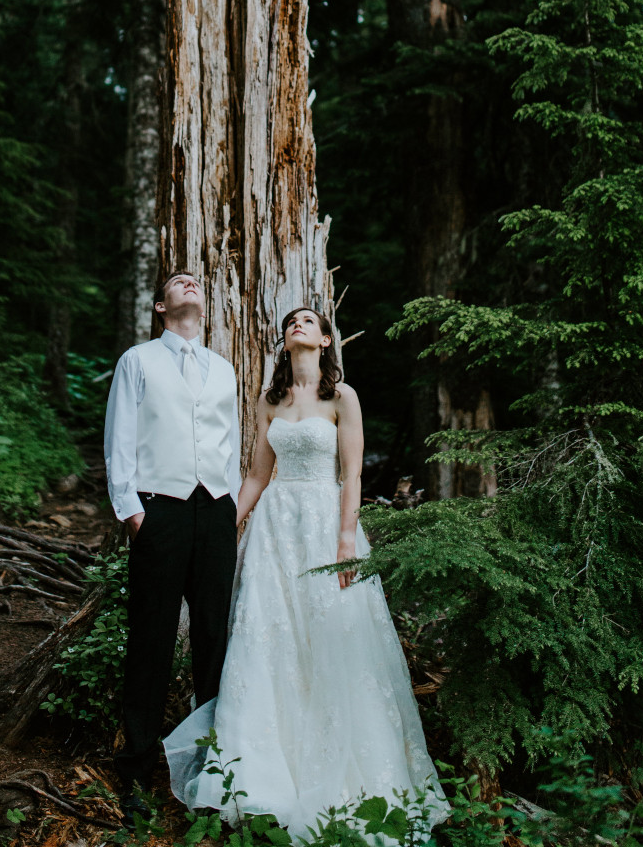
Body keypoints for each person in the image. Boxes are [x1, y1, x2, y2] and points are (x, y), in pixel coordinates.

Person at [164, 306, 448, 842]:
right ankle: (265, 777)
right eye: (291, 320)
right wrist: (225, 529)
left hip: (324, 526)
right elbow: (255, 474)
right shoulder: (268, 402)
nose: (298, 324)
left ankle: (344, 778)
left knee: (332, 640)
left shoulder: (342, 398)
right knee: (269, 641)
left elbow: (353, 470)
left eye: (308, 320)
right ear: (286, 341)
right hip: (274, 531)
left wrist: (346, 539)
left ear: (324, 339)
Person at [104, 271, 240, 821]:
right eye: (177, 283)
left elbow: (229, 441)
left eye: (195, 282)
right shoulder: (138, 360)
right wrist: (132, 512)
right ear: (161, 307)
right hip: (159, 508)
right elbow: (119, 436)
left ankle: (208, 770)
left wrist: (228, 506)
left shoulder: (224, 369)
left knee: (213, 636)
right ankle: (135, 768)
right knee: (151, 638)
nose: (190, 284)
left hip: (216, 511)